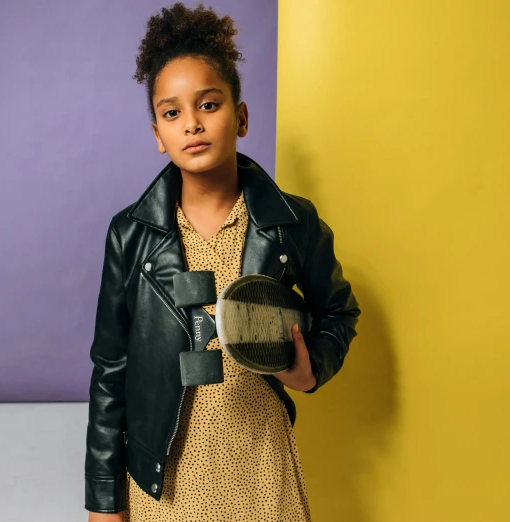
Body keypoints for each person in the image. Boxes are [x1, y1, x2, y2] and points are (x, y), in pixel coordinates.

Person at [85, 3, 360, 521]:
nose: (191, 123)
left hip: (260, 465)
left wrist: (310, 368)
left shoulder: (292, 223)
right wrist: (103, 500)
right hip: (162, 476)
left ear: (243, 116)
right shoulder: (129, 235)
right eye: (172, 113)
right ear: (158, 135)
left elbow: (339, 313)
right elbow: (109, 370)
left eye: (209, 105)